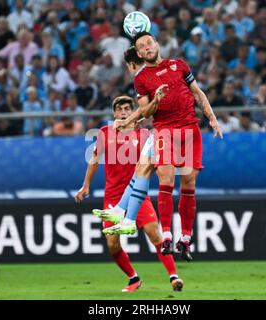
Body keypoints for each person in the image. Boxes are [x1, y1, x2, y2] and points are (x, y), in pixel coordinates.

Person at [95, 32, 223, 261]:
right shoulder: (142, 78)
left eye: (148, 43)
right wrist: (155, 101)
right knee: (165, 179)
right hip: (164, 131)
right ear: (140, 54)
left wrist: (212, 117)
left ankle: (185, 238)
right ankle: (165, 236)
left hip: (191, 130)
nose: (146, 48)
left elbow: (197, 93)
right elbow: (146, 111)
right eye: (141, 47)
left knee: (189, 182)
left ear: (156, 44)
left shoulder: (179, 65)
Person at [75, 96, 184, 293]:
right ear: (114, 113)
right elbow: (93, 160)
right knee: (112, 244)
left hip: (137, 195)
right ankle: (133, 278)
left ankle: (174, 276)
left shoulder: (144, 135)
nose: (123, 112)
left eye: (127, 108)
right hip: (113, 198)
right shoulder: (104, 133)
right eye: (119, 109)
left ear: (133, 111)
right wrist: (85, 186)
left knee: (154, 233)